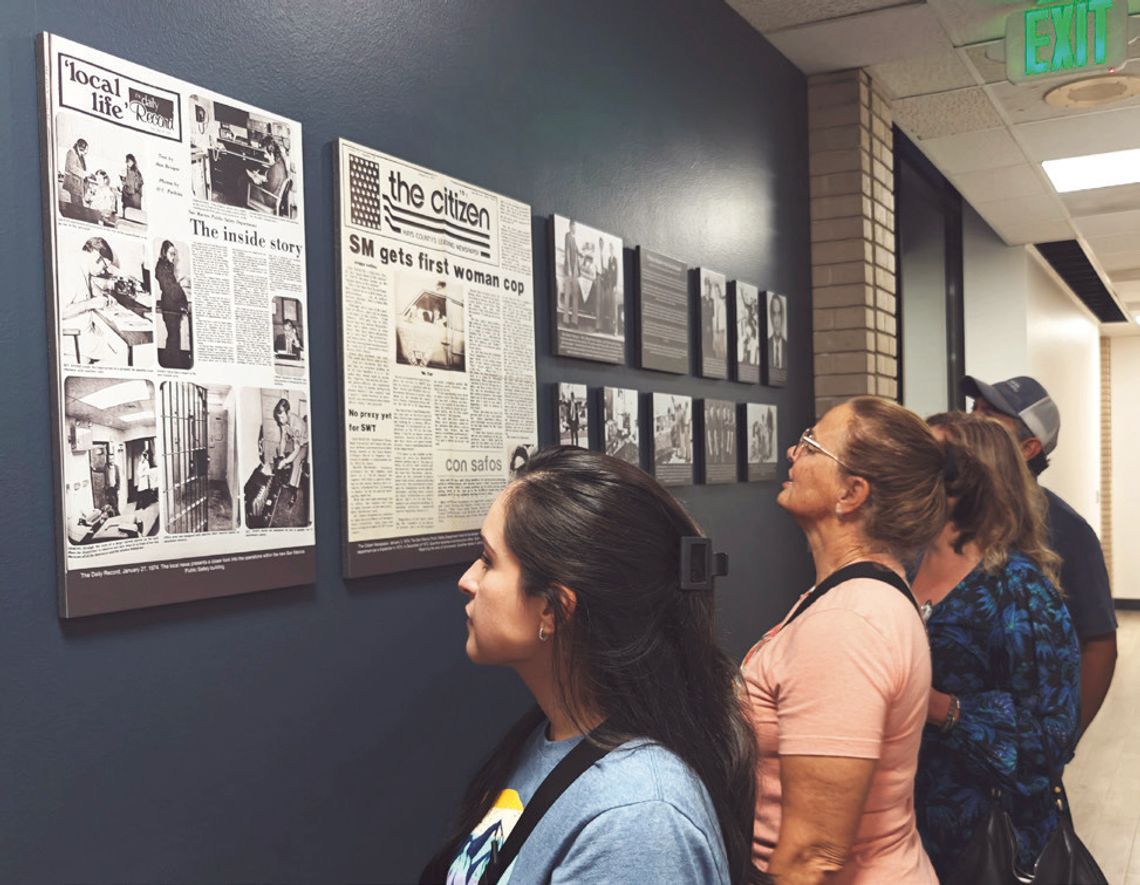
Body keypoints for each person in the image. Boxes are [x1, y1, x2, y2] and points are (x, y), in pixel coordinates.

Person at [422, 447, 759, 884]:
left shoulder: (637, 821)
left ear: (553, 610)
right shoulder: (551, 738)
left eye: (489, 561)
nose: (468, 580)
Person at [742, 396, 965, 883]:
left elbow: (811, 854)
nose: (791, 454)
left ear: (850, 493)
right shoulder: (853, 596)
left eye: (811, 445)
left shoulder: (847, 622)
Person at [913, 412, 1079, 879]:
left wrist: (938, 707)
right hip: (906, 833)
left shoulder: (1021, 592)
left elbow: (1049, 744)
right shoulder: (900, 568)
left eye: (928, 460)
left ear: (972, 481)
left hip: (994, 846)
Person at [963, 374, 1116, 737]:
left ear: (1029, 447)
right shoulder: (947, 512)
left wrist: (1062, 741)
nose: (971, 419)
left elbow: (1099, 645)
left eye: (989, 415)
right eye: (974, 408)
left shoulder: (1066, 529)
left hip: (1014, 744)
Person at [155, 240, 190, 368]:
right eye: (171, 253)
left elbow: (172, 288)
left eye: (174, 254)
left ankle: (171, 362)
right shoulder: (162, 268)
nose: (173, 257)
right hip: (169, 306)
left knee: (173, 336)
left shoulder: (167, 267)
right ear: (164, 253)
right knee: (173, 337)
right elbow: (171, 290)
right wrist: (180, 284)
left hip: (171, 305)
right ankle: (172, 363)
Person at [272, 398, 309, 506]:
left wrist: (285, 461)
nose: (281, 421)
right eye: (279, 418)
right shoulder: (283, 421)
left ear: (288, 412)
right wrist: (281, 455)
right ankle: (281, 481)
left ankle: (293, 491)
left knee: (295, 462)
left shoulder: (296, 424)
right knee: (280, 450)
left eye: (282, 417)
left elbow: (297, 449)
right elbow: (283, 439)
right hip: (294, 440)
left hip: (304, 444)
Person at [561, 220, 581, 328]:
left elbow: (577, 253)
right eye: (573, 226)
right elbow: (567, 252)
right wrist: (568, 267)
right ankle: (565, 319)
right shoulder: (568, 236)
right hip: (570, 269)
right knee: (568, 293)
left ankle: (575, 321)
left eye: (575, 226)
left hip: (575, 270)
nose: (575, 228)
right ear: (570, 226)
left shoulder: (574, 238)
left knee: (575, 294)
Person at [62, 138, 88, 204]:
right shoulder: (71, 152)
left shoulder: (80, 155)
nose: (86, 152)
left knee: (79, 204)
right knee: (76, 205)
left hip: (77, 186)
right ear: (81, 147)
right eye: (86, 149)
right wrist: (84, 174)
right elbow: (72, 167)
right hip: (73, 185)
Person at [767, 294, 786, 371]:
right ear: (771, 317)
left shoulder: (788, 347)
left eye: (779, 314)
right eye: (774, 314)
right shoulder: (766, 346)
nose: (777, 320)